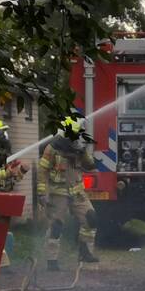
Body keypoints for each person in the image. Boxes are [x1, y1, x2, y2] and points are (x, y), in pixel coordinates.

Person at [36, 116, 99, 271]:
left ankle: (85, 251)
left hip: (77, 193)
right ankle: (52, 260)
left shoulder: (77, 146)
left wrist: (83, 151)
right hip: (59, 194)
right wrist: (42, 193)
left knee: (91, 218)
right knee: (56, 225)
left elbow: (90, 165)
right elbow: (42, 171)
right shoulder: (52, 148)